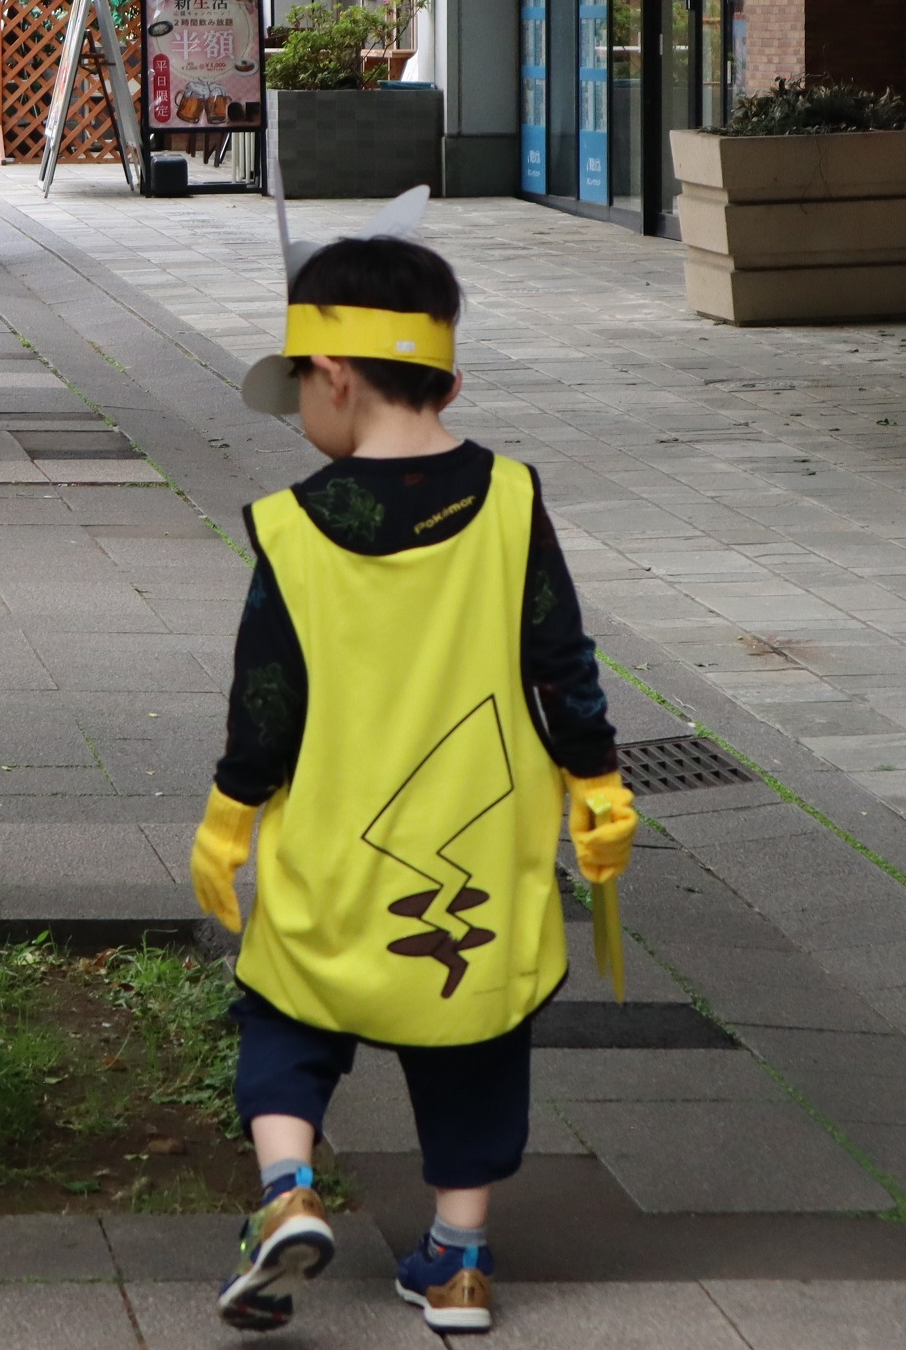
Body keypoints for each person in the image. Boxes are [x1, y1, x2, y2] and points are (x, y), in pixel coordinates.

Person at [192, 235, 635, 1337]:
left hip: (335, 841)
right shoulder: (514, 502)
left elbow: (266, 697)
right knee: (475, 1031)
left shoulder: (294, 528)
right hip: (477, 848)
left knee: (288, 1013)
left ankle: (287, 1189)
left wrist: (229, 812)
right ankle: (459, 1262)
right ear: (450, 378)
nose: (299, 403)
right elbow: (562, 659)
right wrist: (598, 780)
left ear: (334, 374)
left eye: (297, 380)